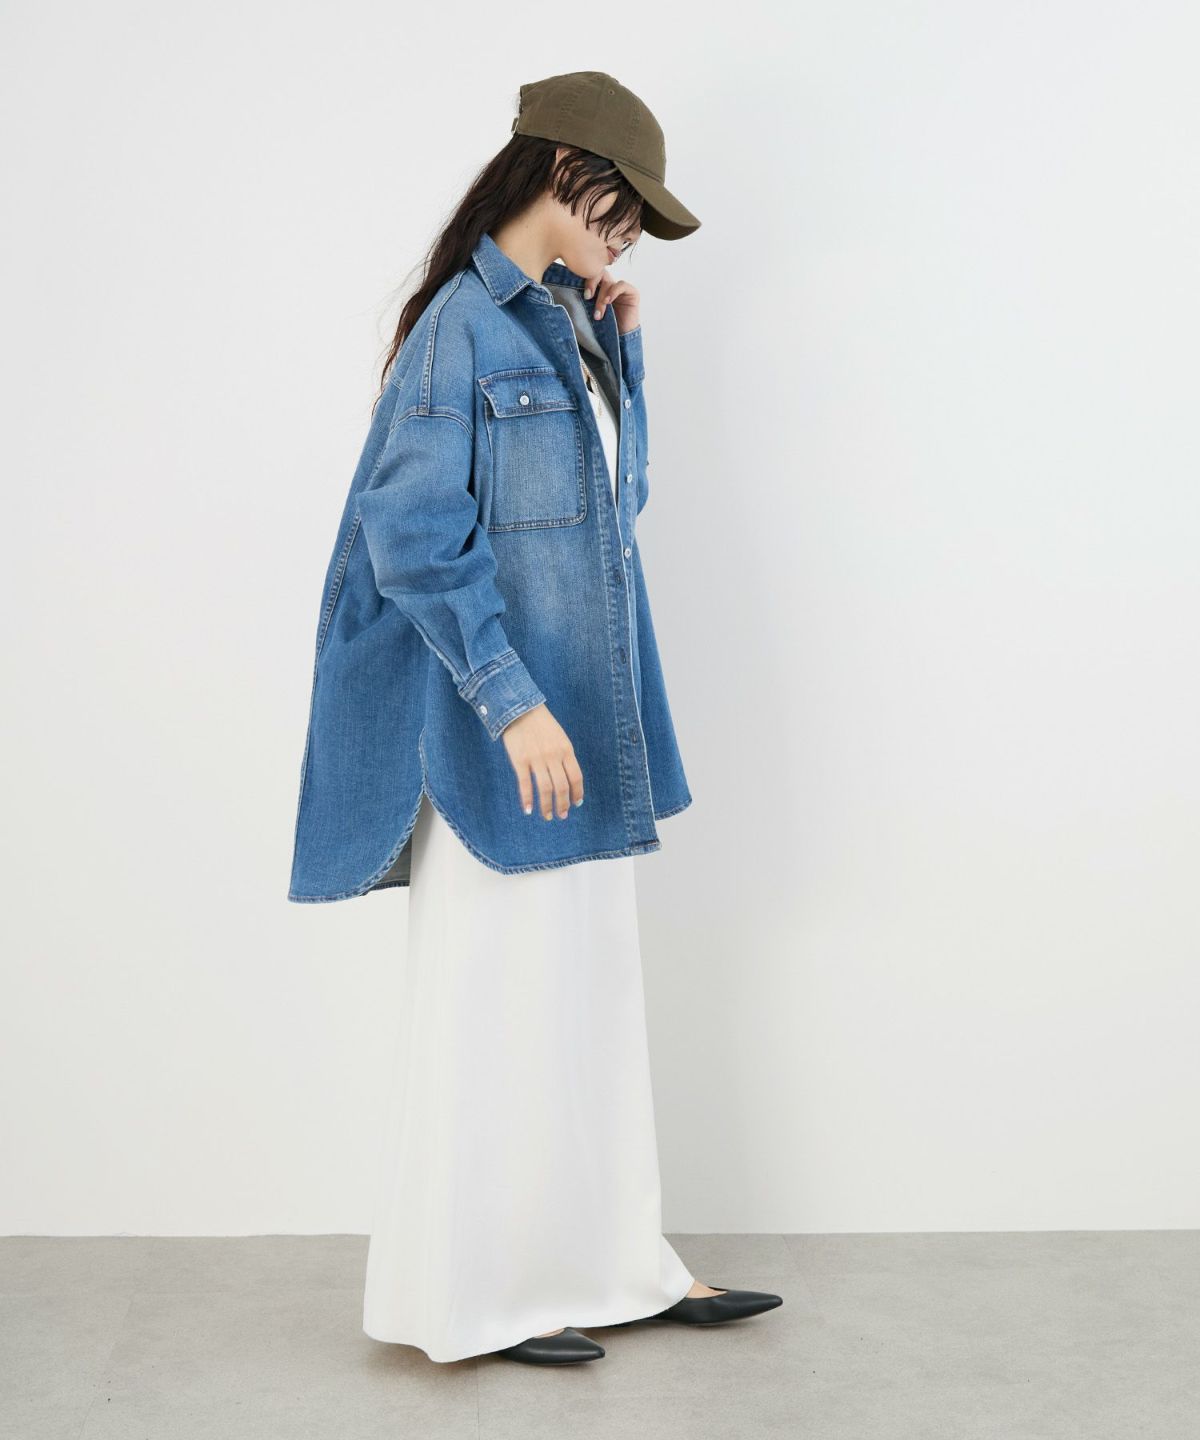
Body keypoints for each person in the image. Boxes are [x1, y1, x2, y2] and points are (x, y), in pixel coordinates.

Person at [288, 70, 783, 1365]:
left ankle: (616, 1268)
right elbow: (411, 536)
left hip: (585, 724)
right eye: (627, 209)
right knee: (491, 1009)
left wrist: (620, 358)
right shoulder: (460, 330)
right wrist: (512, 706)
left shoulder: (567, 325)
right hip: (495, 734)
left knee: (586, 1004)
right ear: (565, 170)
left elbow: (614, 518)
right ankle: (470, 1301)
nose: (632, 237)